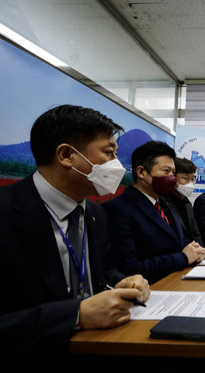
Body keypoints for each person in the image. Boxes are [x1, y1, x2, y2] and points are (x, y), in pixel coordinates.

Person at [0, 105, 150, 361]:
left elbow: (100, 270)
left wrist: (121, 282)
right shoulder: (7, 214)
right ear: (67, 155)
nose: (118, 165)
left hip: (101, 346)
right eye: (109, 153)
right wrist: (76, 315)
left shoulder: (95, 212)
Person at [103, 141, 205, 284]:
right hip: (152, 291)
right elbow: (128, 267)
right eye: (166, 171)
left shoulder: (164, 204)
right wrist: (183, 258)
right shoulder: (118, 208)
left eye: (173, 172)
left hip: (177, 283)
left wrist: (196, 251)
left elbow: (180, 242)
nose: (171, 177)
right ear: (141, 172)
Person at [162, 157, 205, 250]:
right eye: (186, 178)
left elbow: (196, 234)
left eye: (193, 179)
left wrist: (202, 252)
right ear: (172, 178)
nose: (191, 183)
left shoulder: (187, 203)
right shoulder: (163, 203)